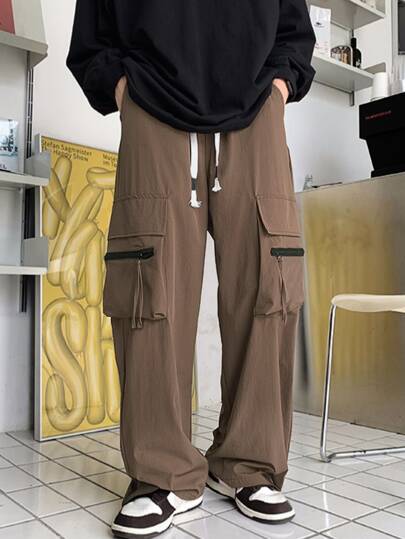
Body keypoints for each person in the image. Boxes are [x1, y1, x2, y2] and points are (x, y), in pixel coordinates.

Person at [66, 1, 315, 536]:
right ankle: (162, 472)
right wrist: (122, 89)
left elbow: (293, 28)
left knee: (268, 280)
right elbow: (93, 33)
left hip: (257, 105)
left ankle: (250, 462)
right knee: (148, 282)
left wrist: (278, 87)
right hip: (153, 100)